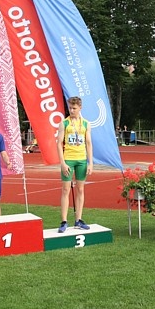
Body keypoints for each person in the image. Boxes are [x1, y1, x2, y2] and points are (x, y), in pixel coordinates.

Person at [56, 97, 93, 232]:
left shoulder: (86, 124)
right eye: (70, 108)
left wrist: (90, 163)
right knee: (65, 190)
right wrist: (62, 163)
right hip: (69, 159)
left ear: (80, 108)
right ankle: (64, 221)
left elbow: (88, 143)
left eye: (74, 108)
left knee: (80, 189)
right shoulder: (64, 123)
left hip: (81, 160)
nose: (71, 110)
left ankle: (78, 219)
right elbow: (59, 143)